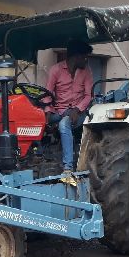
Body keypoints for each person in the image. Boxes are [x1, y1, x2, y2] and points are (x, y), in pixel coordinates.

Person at [45, 40, 94, 174]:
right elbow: (48, 94)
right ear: (76, 57)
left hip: (78, 113)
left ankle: (68, 167)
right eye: (85, 57)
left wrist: (77, 110)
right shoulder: (55, 70)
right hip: (59, 112)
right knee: (36, 121)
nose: (86, 61)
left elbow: (89, 96)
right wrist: (47, 114)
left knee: (64, 124)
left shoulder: (86, 71)